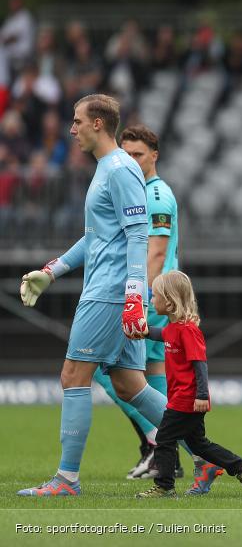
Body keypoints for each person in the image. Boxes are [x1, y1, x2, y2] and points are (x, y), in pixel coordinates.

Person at [18, 94, 168, 497]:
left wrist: (134, 295)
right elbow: (95, 238)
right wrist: (51, 272)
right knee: (129, 386)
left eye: (77, 121)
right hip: (112, 291)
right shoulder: (107, 169)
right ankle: (210, 460)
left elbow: (140, 235)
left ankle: (66, 480)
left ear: (98, 124)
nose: (72, 129)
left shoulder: (119, 170)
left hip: (109, 293)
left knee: (73, 376)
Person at [85, 124, 186, 480]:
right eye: (125, 154)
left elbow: (156, 254)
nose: (130, 160)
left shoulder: (155, 195)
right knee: (149, 378)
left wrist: (136, 301)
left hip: (149, 301)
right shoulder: (139, 192)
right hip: (153, 299)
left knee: (103, 367)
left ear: (154, 156)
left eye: (138, 154)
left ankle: (163, 445)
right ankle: (169, 452)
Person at [136, 271, 242, 498]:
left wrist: (202, 395)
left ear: (170, 300)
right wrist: (141, 331)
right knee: (199, 444)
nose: (151, 300)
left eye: (155, 296)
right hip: (181, 397)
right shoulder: (173, 329)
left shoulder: (189, 331)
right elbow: (159, 334)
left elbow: (200, 364)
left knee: (164, 439)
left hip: (188, 398)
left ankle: (164, 486)